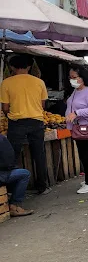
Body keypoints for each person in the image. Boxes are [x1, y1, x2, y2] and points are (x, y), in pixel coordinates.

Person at [0, 54, 50, 195]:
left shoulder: (6, 83)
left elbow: (4, 108)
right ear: (29, 66)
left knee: (13, 155)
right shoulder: (39, 82)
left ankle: (10, 189)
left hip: (16, 123)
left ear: (12, 67)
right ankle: (42, 186)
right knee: (39, 154)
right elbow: (43, 104)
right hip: (37, 121)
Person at [65, 65, 88, 194]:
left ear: (82, 77)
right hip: (79, 127)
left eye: (74, 77)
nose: (72, 80)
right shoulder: (76, 91)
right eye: (70, 77)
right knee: (87, 153)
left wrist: (77, 113)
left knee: (84, 154)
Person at [0, 133, 33, 217]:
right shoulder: (1, 139)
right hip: (2, 174)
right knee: (25, 174)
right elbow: (7, 161)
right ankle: (14, 206)